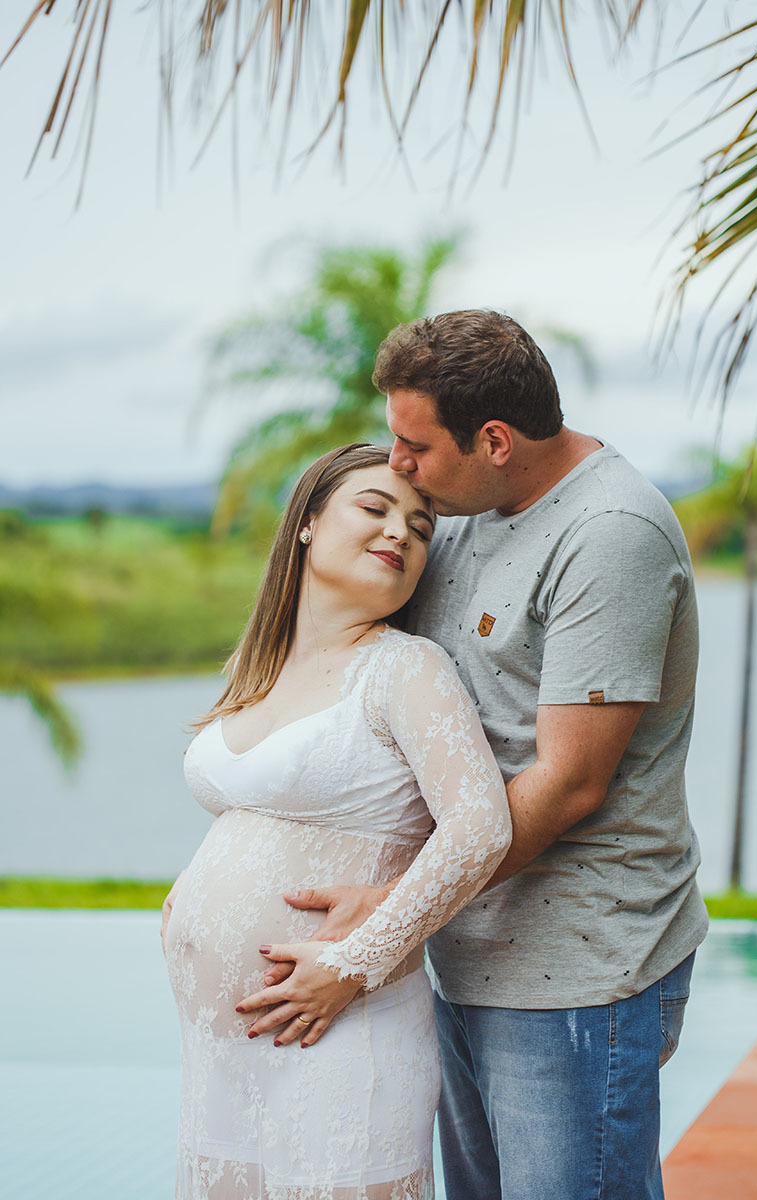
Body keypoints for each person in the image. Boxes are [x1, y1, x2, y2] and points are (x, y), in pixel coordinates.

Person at [266, 311, 709, 1200]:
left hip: (576, 967)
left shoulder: (610, 533)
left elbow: (569, 783)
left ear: (495, 441)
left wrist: (392, 910)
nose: (398, 464)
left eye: (415, 446)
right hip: (461, 944)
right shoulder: (466, 513)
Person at [161, 442, 512, 1200]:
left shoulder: (406, 667)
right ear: (308, 523)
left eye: (420, 528)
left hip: (342, 1034)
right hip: (221, 1054)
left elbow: (479, 830)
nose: (400, 532)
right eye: (375, 508)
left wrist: (354, 963)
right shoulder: (258, 673)